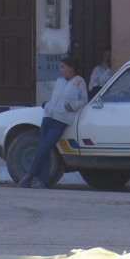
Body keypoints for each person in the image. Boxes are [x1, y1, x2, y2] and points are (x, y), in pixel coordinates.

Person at [18, 56, 87, 189]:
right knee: (44, 148)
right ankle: (42, 181)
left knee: (45, 147)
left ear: (71, 68)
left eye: (63, 67)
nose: (61, 70)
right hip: (48, 116)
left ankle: (30, 175)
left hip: (60, 120)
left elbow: (84, 100)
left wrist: (73, 105)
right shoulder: (59, 81)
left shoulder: (79, 81)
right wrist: (48, 105)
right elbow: (54, 97)